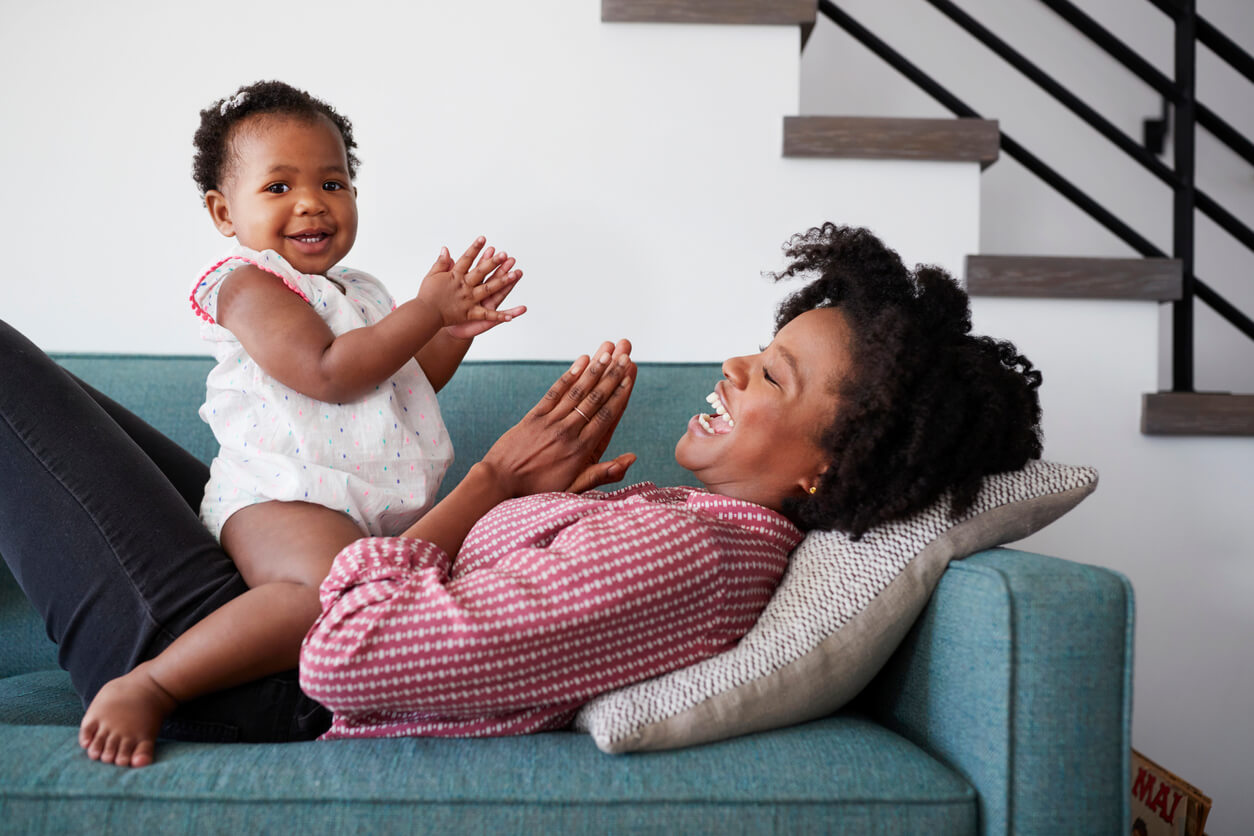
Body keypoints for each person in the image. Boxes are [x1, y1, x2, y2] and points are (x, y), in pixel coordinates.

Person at [0, 223, 1043, 762]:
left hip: (249, 684)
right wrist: (523, 509)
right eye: (762, 346)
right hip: (270, 622)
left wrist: (495, 480)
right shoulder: (694, 526)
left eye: (772, 375)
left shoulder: (698, 556)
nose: (734, 366)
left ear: (832, 468)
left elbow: (350, 650)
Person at [77, 81, 526, 766]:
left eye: (333, 181)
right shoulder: (246, 284)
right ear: (224, 212)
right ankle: (152, 683)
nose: (312, 201)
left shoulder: (364, 291)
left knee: (372, 594)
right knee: (324, 596)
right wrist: (424, 312)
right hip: (281, 495)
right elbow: (326, 370)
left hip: (364, 510)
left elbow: (400, 382)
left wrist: (452, 332)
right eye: (278, 187)